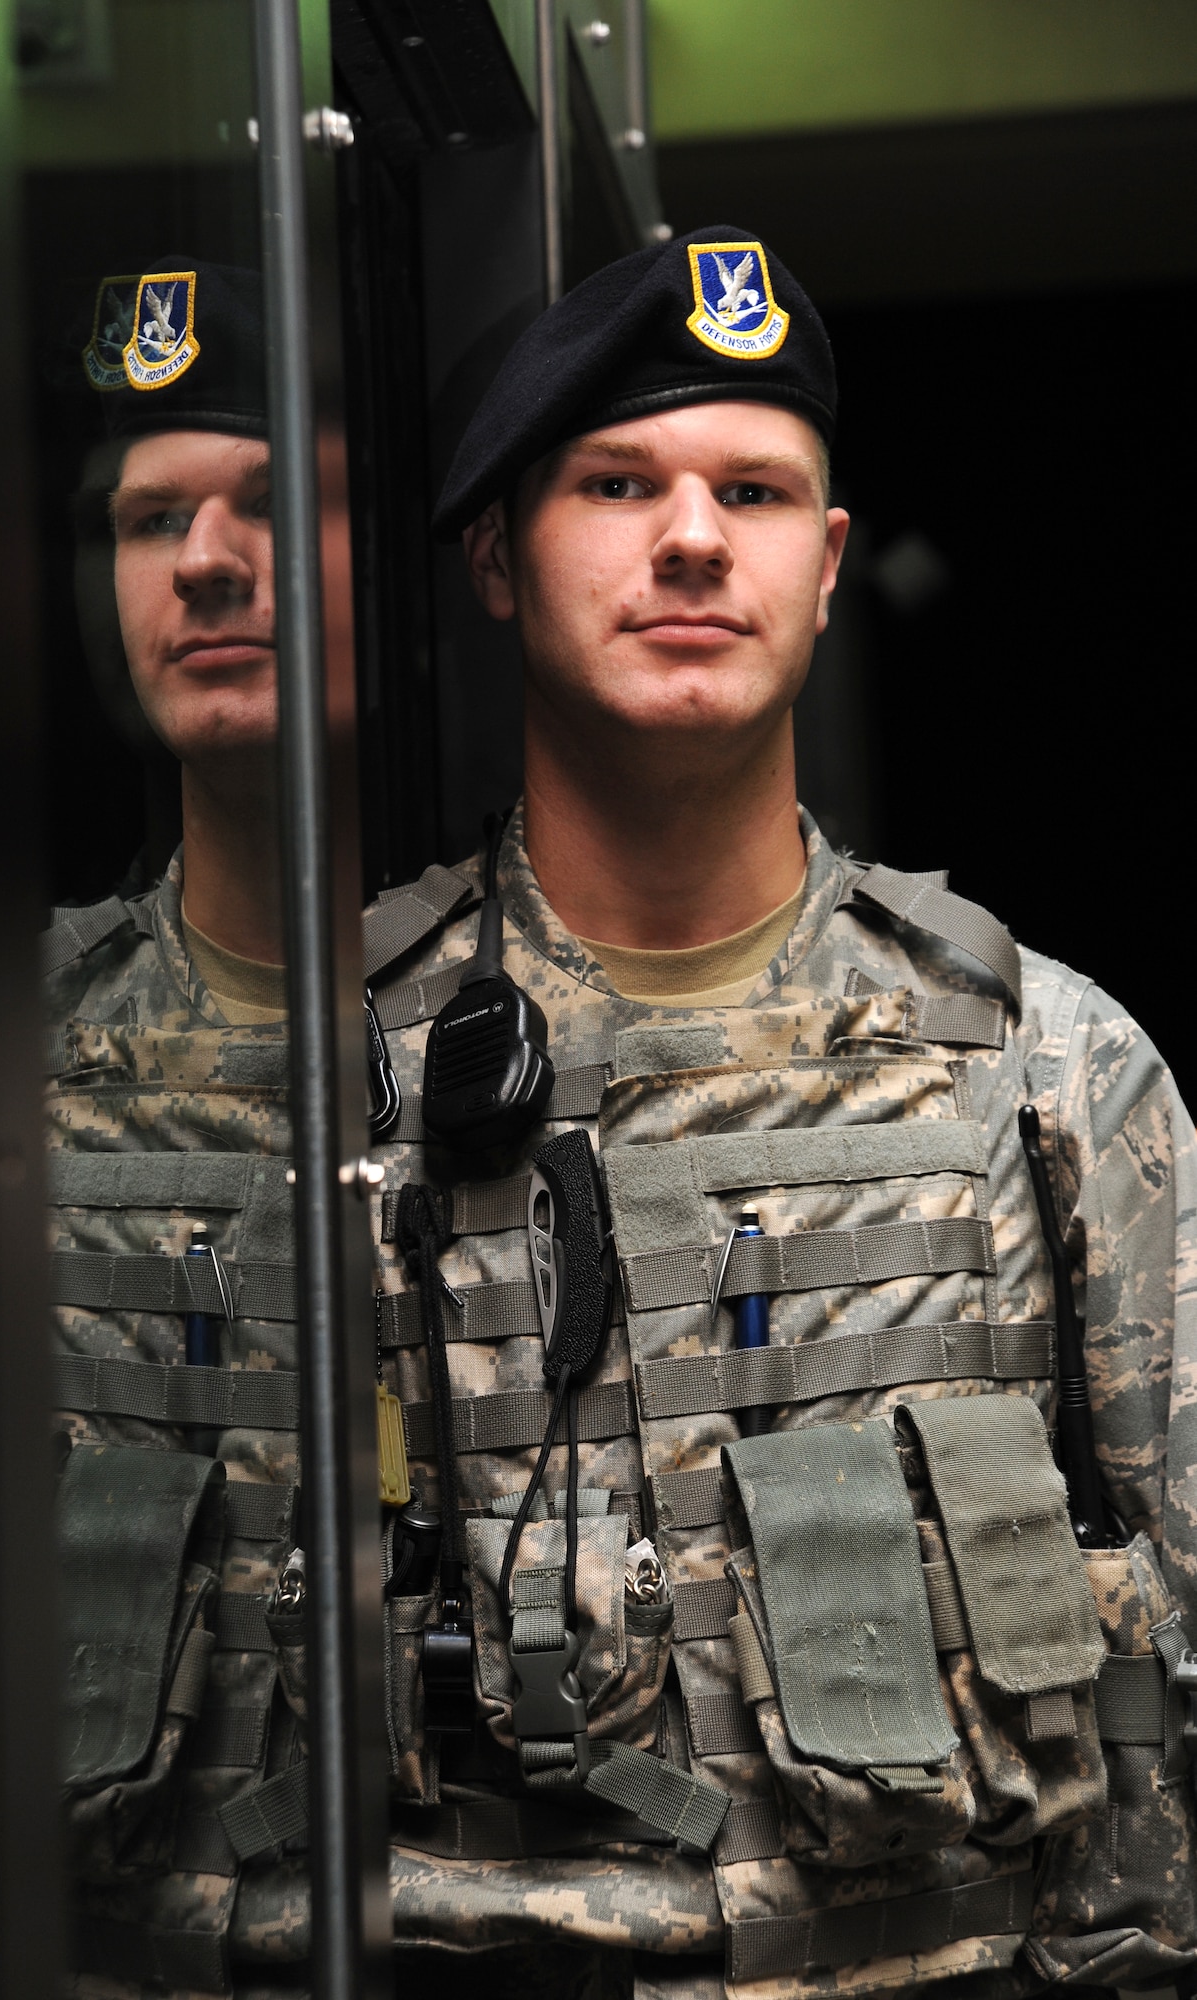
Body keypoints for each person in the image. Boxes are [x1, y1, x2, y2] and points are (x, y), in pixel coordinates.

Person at [366, 227, 1197, 1999]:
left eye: (752, 491)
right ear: (497, 557)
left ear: (825, 567)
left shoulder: (1050, 1069)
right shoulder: (349, 1077)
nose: (691, 538)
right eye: (617, 484)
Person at [45, 261, 308, 1998]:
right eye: (152, 520)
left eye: (269, 504)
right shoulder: (7, 1062)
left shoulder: (532, 1028)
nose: (206, 562)